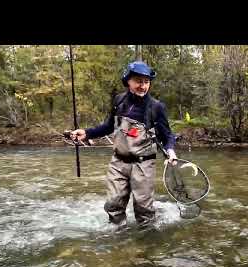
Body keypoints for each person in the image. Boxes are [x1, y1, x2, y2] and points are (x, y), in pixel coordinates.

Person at [70, 61, 177, 229]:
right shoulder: (118, 101)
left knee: (144, 210)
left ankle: (146, 243)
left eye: (146, 82)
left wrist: (171, 151)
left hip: (144, 163)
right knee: (113, 204)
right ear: (128, 81)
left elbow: (167, 135)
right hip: (118, 162)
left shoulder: (156, 107)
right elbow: (108, 127)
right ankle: (118, 239)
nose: (143, 86)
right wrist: (87, 133)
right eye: (138, 81)